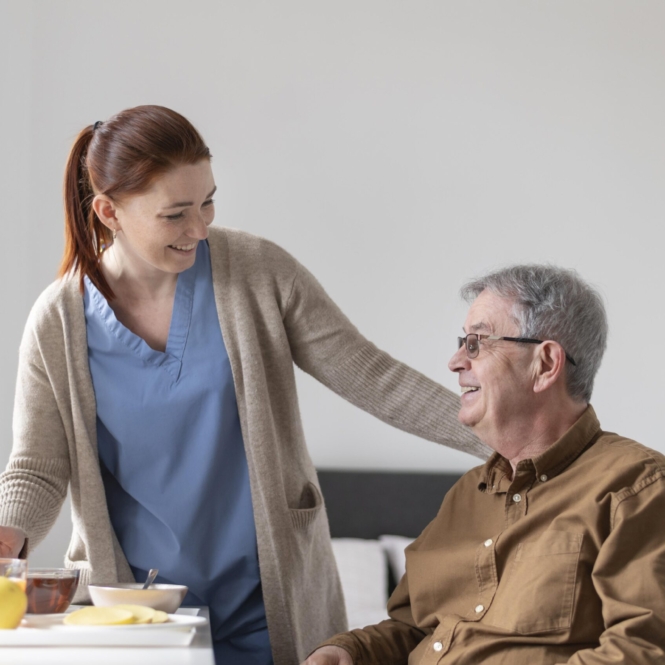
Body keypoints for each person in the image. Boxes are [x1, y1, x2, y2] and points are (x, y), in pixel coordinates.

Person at [0, 105, 488, 665]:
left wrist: (499, 435)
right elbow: (37, 465)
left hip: (270, 601)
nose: (200, 228)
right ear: (109, 211)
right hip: (141, 611)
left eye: (208, 202)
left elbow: (372, 377)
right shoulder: (58, 321)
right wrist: (9, 532)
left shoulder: (256, 272)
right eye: (176, 214)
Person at [305, 264, 665, 664]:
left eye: (476, 343)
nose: (456, 361)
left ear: (545, 364)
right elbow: (416, 629)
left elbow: (639, 652)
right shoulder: (465, 495)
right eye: (462, 342)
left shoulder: (637, 487)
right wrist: (348, 652)